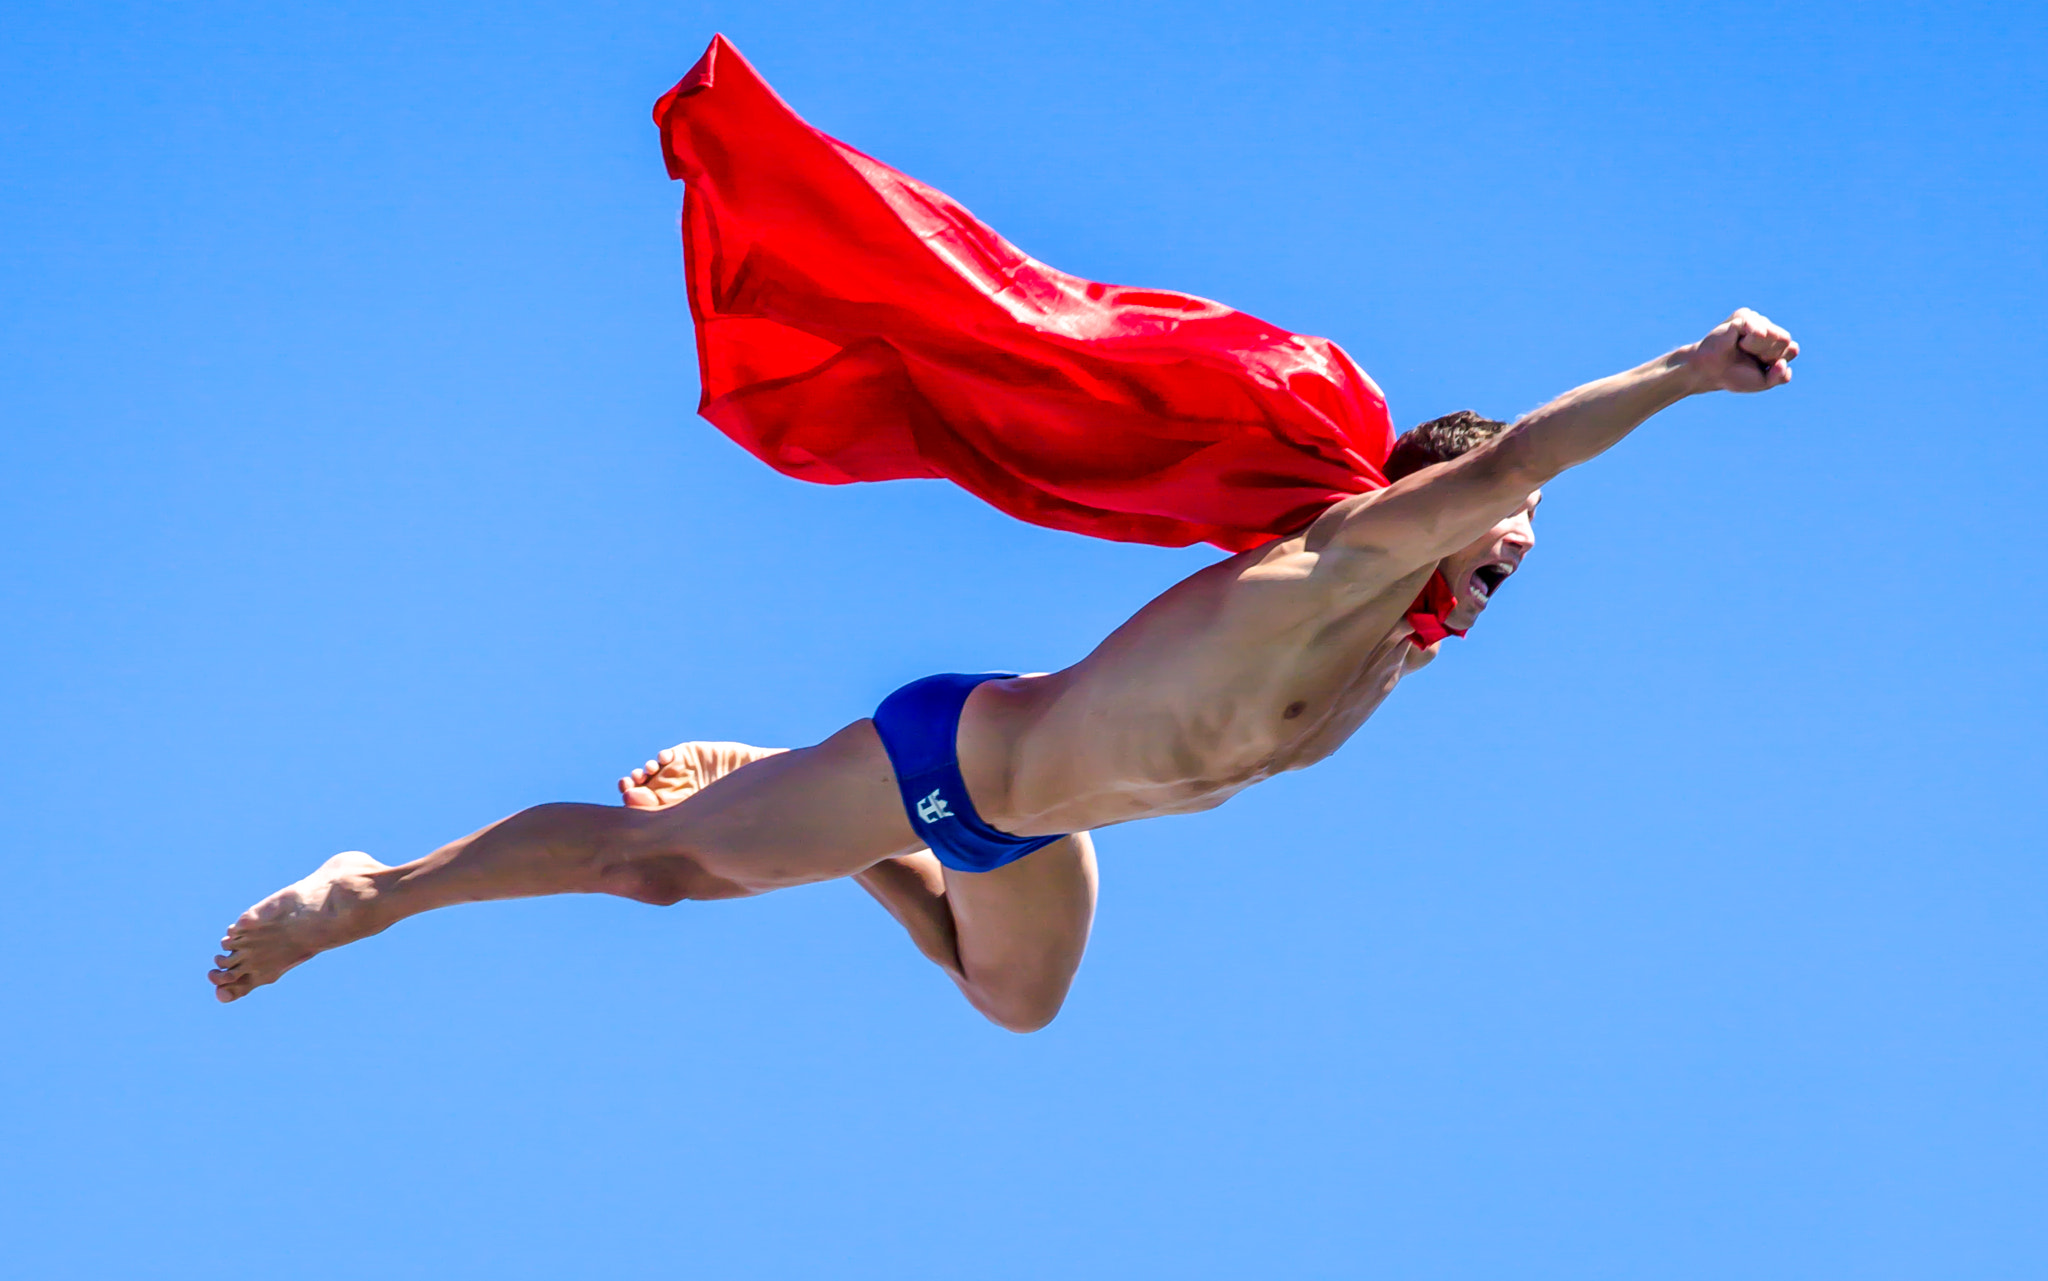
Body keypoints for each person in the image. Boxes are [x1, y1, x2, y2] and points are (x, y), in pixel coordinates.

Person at [209, 308, 1799, 1028]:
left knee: (1011, 1000)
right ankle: (373, 891)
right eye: (1509, 523)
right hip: (951, 754)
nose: (1521, 550)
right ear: (1444, 503)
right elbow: (1517, 454)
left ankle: (867, 852)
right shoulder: (1356, 554)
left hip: (1025, 826)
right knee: (657, 875)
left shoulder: (1406, 641)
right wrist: (1688, 369)